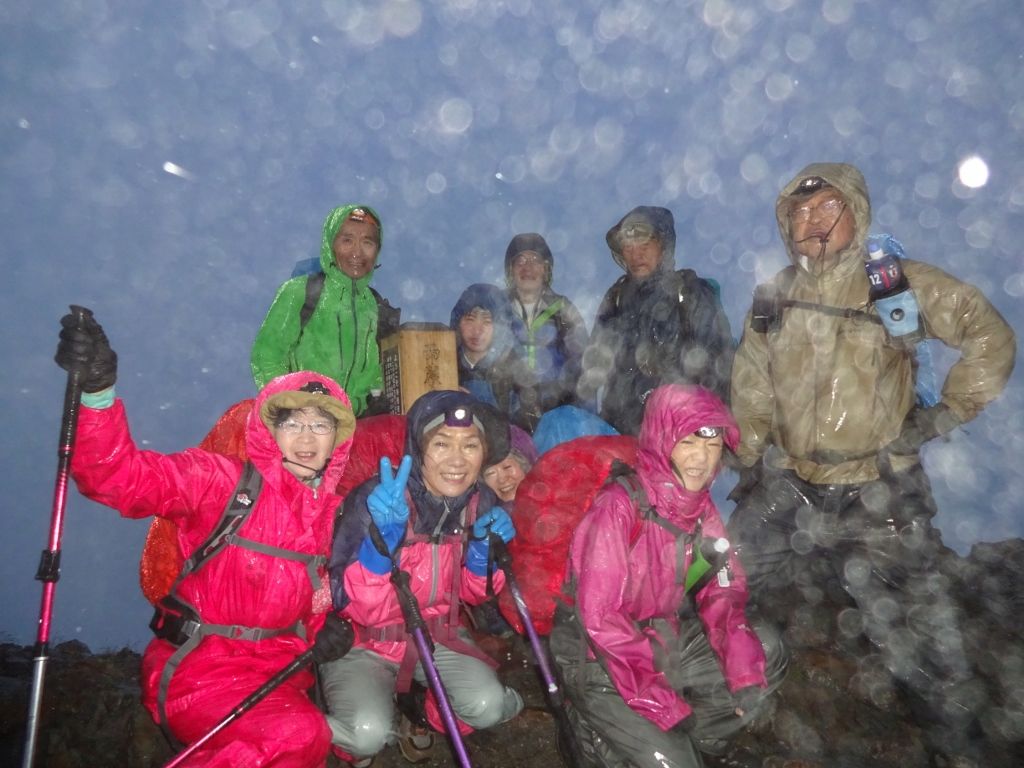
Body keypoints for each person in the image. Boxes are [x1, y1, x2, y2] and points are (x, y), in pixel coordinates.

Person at [727, 162, 1016, 759]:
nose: (812, 221)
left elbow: (989, 335)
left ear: (856, 211)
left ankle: (963, 751)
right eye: (799, 212)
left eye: (826, 207)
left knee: (925, 649)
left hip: (878, 488)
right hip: (791, 483)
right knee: (720, 579)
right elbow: (752, 384)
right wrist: (749, 456)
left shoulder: (892, 282)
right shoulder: (774, 294)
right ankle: (710, 704)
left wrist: (943, 415)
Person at [55, 310, 358, 767]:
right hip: (198, 671)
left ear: (337, 439)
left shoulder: (334, 518)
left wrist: (329, 631)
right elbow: (115, 476)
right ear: (269, 431)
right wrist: (97, 393)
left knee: (303, 736)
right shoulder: (222, 483)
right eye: (293, 422)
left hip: (280, 677)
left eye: (321, 425)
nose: (306, 438)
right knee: (299, 735)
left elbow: (314, 603)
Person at [549, 385, 787, 768]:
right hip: (596, 659)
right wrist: (662, 703)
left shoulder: (701, 512)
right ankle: (595, 726)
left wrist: (744, 678)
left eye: (713, 446)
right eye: (688, 442)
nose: (702, 459)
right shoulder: (619, 507)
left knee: (766, 651)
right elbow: (601, 619)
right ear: (662, 440)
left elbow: (722, 594)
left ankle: (695, 743)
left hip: (661, 640)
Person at [321, 390, 524, 766]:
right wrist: (382, 545)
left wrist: (482, 555)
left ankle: (423, 711)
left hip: (436, 634)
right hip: (366, 643)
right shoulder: (376, 501)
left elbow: (475, 595)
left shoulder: (479, 501)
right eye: (442, 444)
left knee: (487, 705)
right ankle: (330, 729)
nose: (457, 460)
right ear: (417, 449)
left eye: (470, 445)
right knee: (366, 735)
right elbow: (357, 608)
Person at [579, 206, 734, 435]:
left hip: (676, 437)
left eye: (645, 245)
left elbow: (720, 366)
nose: (636, 254)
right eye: (628, 248)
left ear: (664, 246)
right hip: (619, 436)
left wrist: (708, 432)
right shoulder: (617, 297)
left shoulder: (690, 292)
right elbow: (593, 368)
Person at [251, 204, 400, 416]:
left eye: (368, 242)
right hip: (305, 424)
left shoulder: (376, 307)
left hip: (358, 428)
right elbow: (267, 354)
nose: (357, 252)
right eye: (347, 240)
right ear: (330, 245)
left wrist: (370, 403)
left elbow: (382, 373)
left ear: (377, 251)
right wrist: (295, 403)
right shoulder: (301, 292)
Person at [503, 233, 589, 414]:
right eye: (520, 261)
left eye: (535, 260)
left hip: (557, 414)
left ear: (546, 269)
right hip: (506, 415)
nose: (528, 268)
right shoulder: (497, 310)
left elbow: (584, 368)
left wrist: (580, 420)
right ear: (511, 270)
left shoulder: (563, 311)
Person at [450, 282, 540, 431]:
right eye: (470, 320)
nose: (477, 331)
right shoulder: (445, 366)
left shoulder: (517, 371)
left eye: (487, 321)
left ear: (500, 326)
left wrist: (477, 410)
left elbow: (527, 432)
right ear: (457, 322)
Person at [482, 423, 538, 509]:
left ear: (526, 465)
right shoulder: (483, 515)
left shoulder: (555, 502)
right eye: (490, 473)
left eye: (507, 467)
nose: (502, 479)